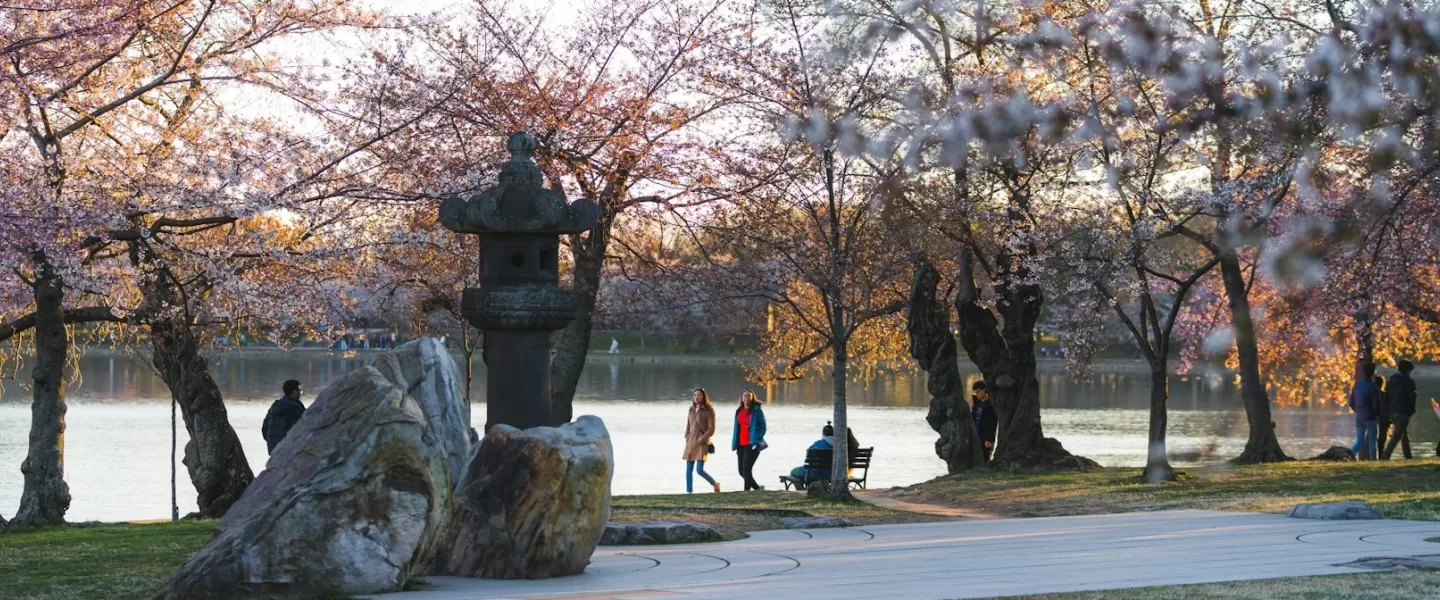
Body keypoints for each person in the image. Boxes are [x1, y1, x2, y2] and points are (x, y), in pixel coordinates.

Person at [683, 388, 720, 493]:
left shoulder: (708, 410)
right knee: (688, 471)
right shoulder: (691, 410)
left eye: (699, 395)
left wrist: (702, 439)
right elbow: (688, 425)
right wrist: (687, 437)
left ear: (703, 396)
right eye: (695, 395)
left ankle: (715, 484)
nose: (696, 397)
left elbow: (711, 429)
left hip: (702, 443)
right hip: (690, 443)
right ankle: (689, 492)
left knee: (699, 470)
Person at [732, 390, 767, 491]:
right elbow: (736, 428)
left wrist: (756, 438)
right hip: (740, 444)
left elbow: (763, 427)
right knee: (741, 471)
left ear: (752, 398)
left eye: (749, 396)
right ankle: (757, 489)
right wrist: (735, 443)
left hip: (752, 445)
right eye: (745, 396)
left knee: (747, 470)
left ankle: (746, 492)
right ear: (742, 398)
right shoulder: (739, 411)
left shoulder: (756, 411)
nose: (746, 397)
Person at [1383, 360, 1418, 459]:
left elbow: (1386, 396)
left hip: (1393, 411)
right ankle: (1385, 457)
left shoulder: (1391, 381)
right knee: (1396, 436)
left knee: (1403, 434)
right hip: (1403, 411)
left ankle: (1408, 456)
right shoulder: (1409, 382)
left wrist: (1389, 410)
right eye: (1410, 371)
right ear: (1407, 370)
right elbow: (1412, 398)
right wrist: (1411, 410)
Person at [1348, 363, 1381, 460]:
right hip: (1370, 416)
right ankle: (1373, 461)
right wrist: (1377, 414)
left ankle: (1348, 457)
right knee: (1372, 442)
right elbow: (1377, 403)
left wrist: (1358, 410)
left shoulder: (1357, 386)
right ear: (1373, 373)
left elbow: (1351, 402)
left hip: (1359, 417)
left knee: (1359, 442)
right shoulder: (1373, 387)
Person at [262, 380, 306, 454]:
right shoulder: (295, 408)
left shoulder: (275, 406)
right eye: (299, 391)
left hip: (273, 449)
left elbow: (265, 428)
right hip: (289, 450)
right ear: (294, 392)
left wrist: (272, 441)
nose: (300, 393)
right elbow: (301, 429)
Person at [972, 381, 998, 462]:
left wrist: (990, 439)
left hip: (986, 437)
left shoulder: (991, 405)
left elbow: (993, 423)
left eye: (978, 392)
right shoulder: (976, 404)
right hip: (976, 435)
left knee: (986, 458)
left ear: (984, 390)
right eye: (975, 392)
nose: (977, 394)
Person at [1374, 374, 1390, 456]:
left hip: (1374, 416)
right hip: (1383, 416)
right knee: (1382, 437)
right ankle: (1381, 454)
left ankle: (1371, 455)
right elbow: (1388, 406)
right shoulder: (1385, 394)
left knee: (1371, 436)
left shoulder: (1372, 394)